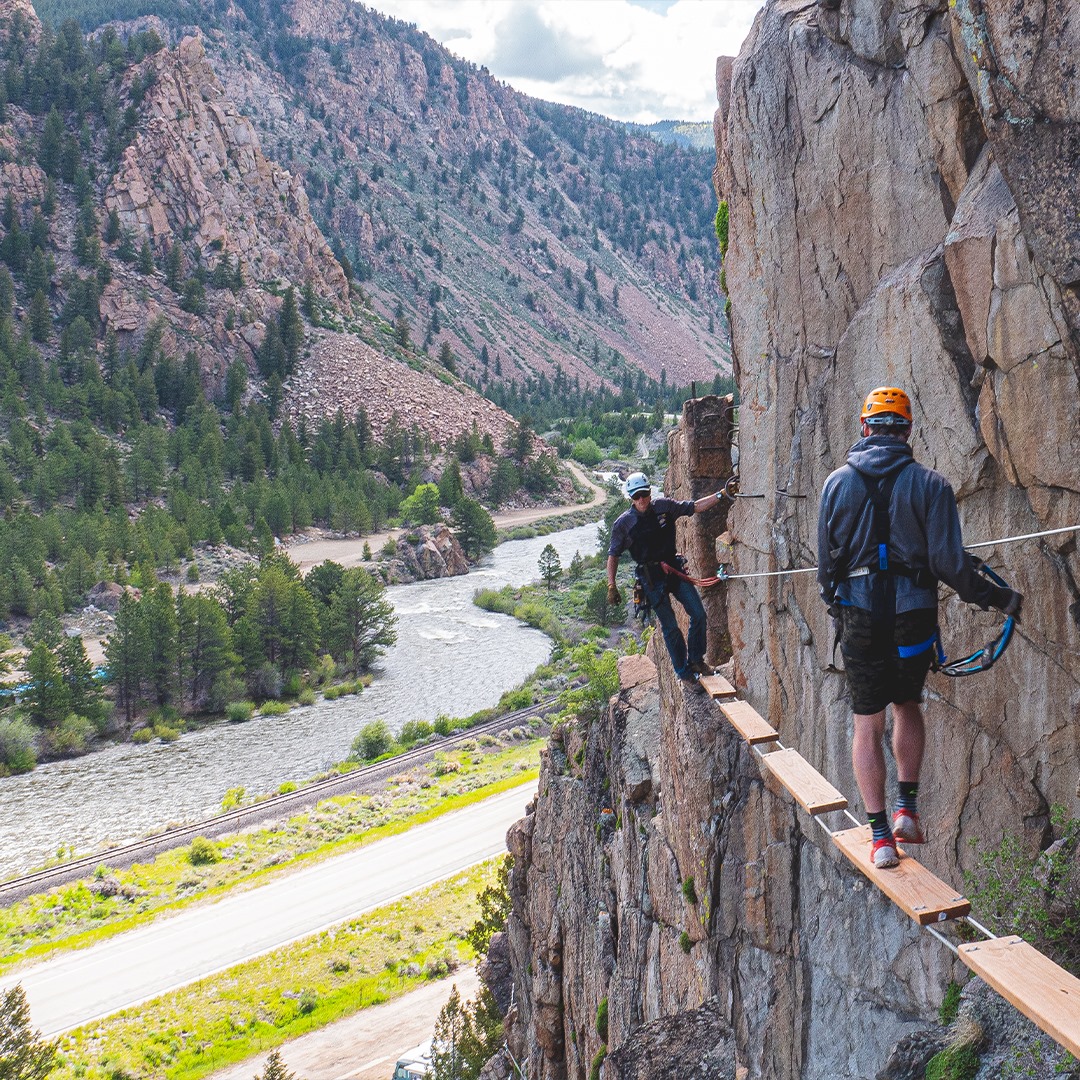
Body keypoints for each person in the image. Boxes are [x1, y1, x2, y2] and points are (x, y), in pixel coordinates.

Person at [818, 387, 1022, 869]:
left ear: (865, 428)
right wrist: (999, 598)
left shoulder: (836, 484)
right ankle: (907, 810)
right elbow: (950, 565)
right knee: (907, 705)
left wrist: (837, 606)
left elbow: (826, 569)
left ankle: (881, 838)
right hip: (914, 616)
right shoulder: (932, 485)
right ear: (908, 429)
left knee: (866, 724)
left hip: (860, 616)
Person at [607, 472, 723, 683]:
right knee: (671, 628)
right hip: (651, 579)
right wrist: (611, 585)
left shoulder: (664, 508)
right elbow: (613, 555)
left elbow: (693, 507)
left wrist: (721, 495)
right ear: (631, 498)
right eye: (636, 497)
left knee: (698, 614)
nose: (641, 500)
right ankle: (684, 673)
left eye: (644, 494)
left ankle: (696, 660)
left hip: (673, 569)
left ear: (650, 493)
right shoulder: (624, 524)